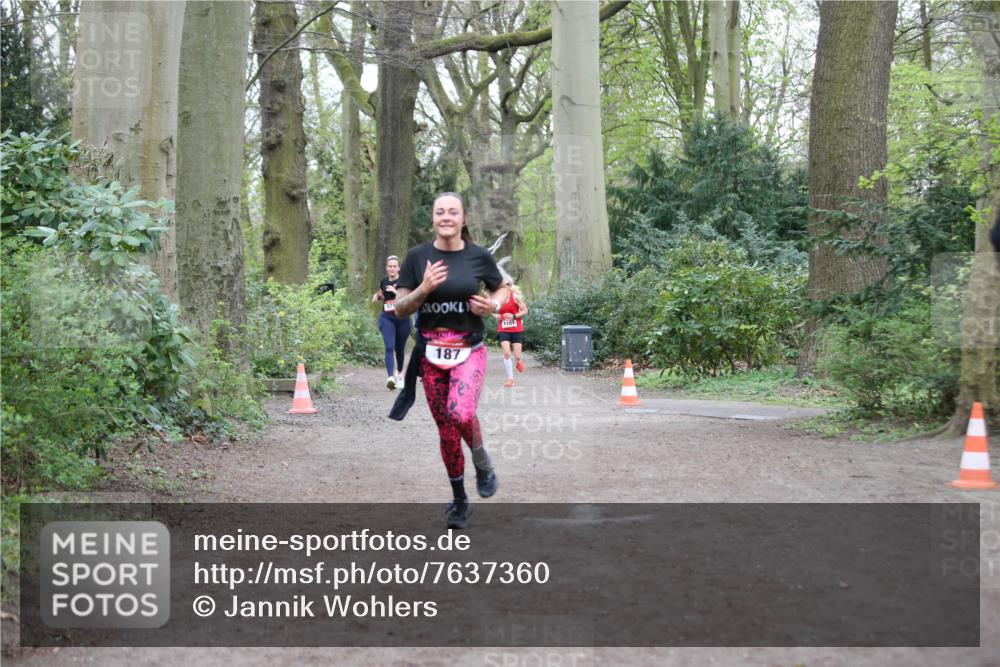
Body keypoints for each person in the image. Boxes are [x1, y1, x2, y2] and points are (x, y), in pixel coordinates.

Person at [389, 192, 507, 529]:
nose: (446, 217)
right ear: (433, 219)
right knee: (446, 431)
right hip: (430, 352)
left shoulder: (478, 256)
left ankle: (482, 462)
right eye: (440, 212)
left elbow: (502, 289)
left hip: (469, 349)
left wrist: (493, 306)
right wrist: (424, 288)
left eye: (452, 212)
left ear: (463, 218)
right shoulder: (417, 257)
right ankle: (459, 500)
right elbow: (400, 308)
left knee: (461, 413)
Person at [372, 256, 411, 390]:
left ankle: (399, 373)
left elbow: (409, 298)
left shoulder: (404, 281)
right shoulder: (383, 281)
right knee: (389, 346)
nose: (392, 268)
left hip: (403, 319)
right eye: (390, 266)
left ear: (399, 268)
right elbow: (382, 294)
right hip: (387, 318)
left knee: (399, 350)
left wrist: (396, 292)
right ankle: (390, 378)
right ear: (386, 268)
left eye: (395, 266)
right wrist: (378, 296)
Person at [493, 277, 528, 387]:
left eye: (507, 284)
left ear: (510, 286)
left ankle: (518, 362)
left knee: (517, 356)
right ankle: (510, 379)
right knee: (507, 353)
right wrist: (495, 316)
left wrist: (513, 316)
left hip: (516, 329)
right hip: (503, 329)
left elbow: (525, 310)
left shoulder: (515, 297)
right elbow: (491, 310)